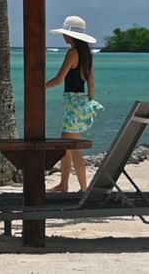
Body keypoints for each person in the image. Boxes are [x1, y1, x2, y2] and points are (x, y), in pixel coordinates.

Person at [45, 15, 103, 192]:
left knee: (72, 148)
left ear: (70, 36)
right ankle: (65, 184)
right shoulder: (87, 55)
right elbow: (91, 83)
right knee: (68, 147)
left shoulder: (72, 53)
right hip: (81, 103)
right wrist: (89, 104)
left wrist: (38, 88)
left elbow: (59, 79)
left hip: (72, 104)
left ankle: (83, 188)